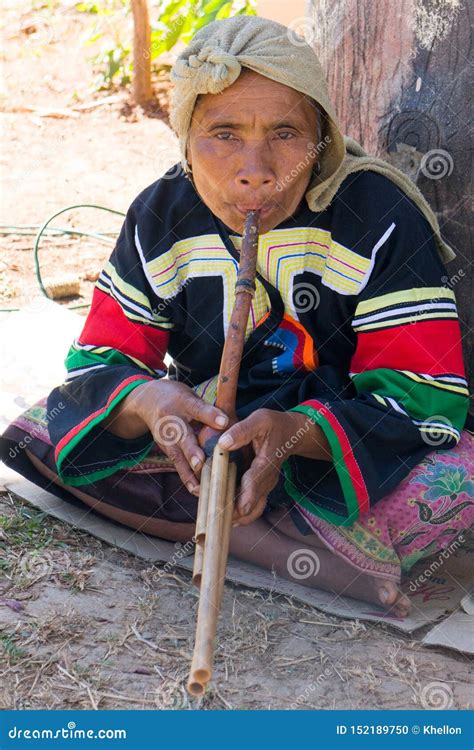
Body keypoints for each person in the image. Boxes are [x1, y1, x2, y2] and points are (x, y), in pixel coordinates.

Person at [1, 16, 472, 619]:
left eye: (285, 133)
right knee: (45, 431)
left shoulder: (378, 217)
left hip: (330, 444)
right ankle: (274, 546)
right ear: (185, 142)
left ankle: (236, 524)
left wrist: (294, 435)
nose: (255, 168)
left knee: (455, 481)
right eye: (222, 134)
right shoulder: (161, 215)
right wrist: (150, 403)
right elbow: (100, 362)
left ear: (322, 139)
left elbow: (424, 396)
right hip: (206, 430)